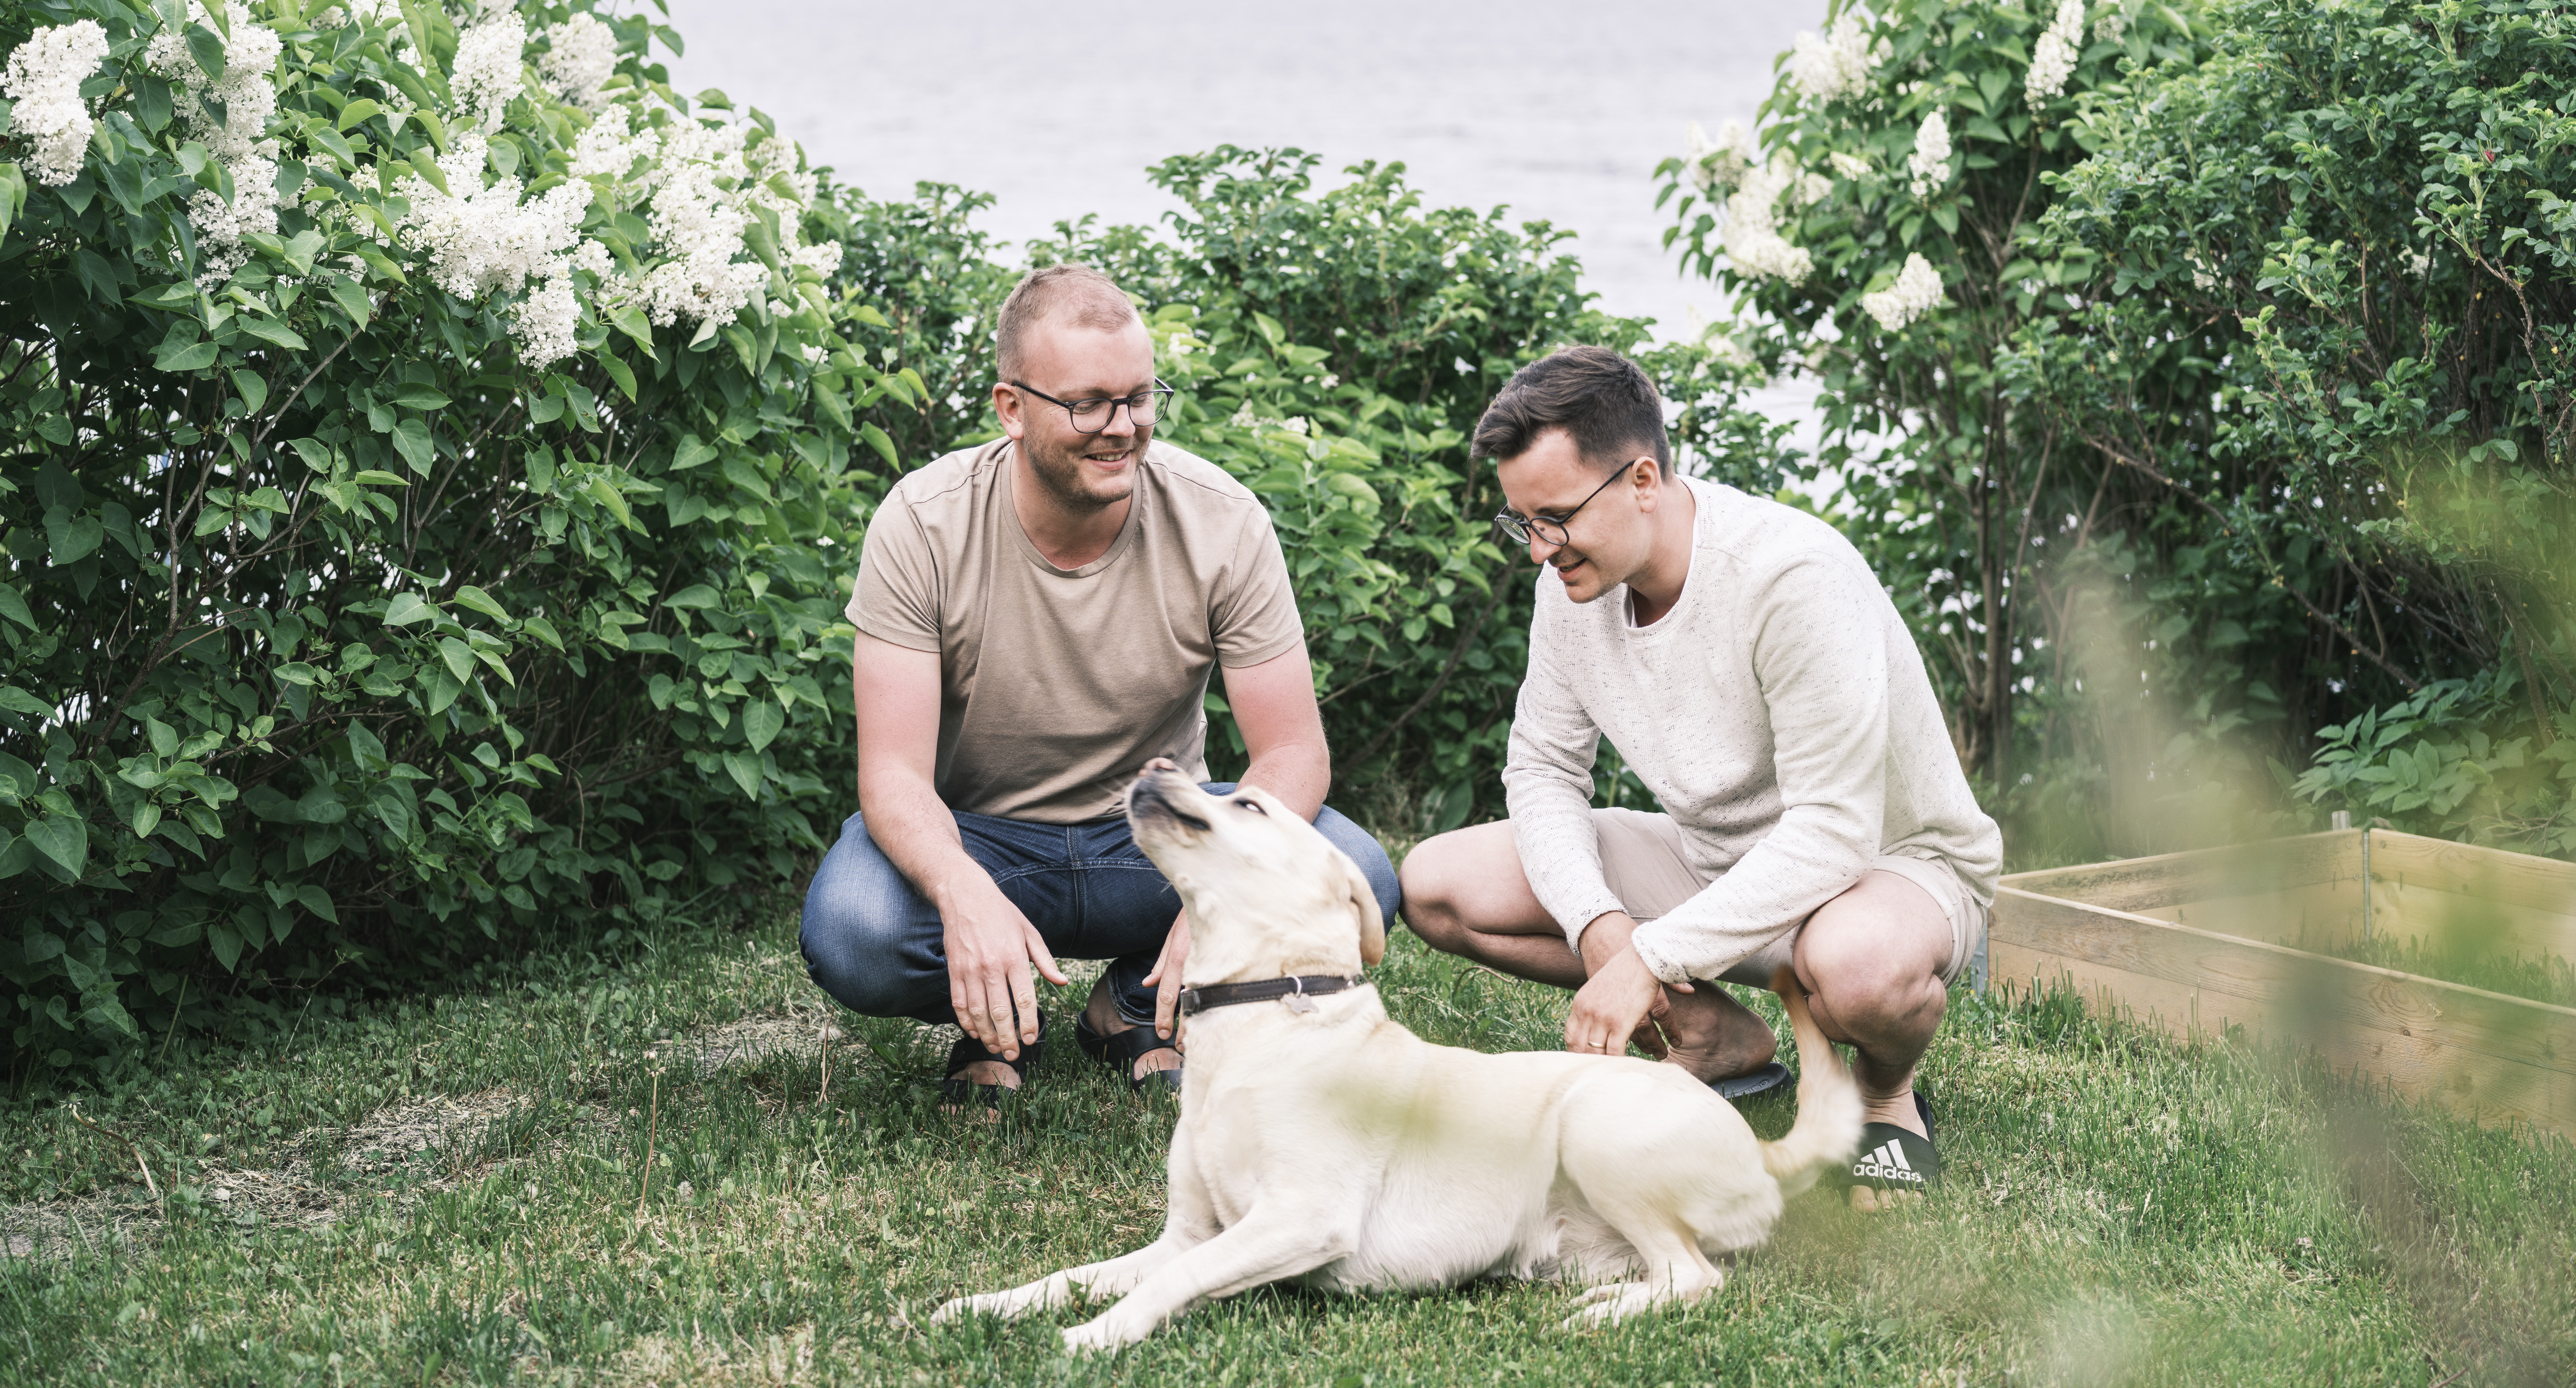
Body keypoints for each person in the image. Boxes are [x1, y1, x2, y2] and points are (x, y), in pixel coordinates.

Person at [1398, 345, 2000, 1207]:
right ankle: (1717, 1038)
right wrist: (1599, 924)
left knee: (1857, 967)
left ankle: (1882, 1090)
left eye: (1555, 518)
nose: (1538, 549)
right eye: (1521, 523)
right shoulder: (1573, 579)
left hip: (1882, 872)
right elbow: (1540, 769)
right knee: (1437, 884)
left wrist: (1651, 951)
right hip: (1710, 859)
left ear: (1642, 478)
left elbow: (1833, 831)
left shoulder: (1790, 576)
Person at [800, 263, 1400, 1101]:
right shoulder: (923, 519)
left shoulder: (1222, 519)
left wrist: (1225, 886)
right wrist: (962, 891)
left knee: (1359, 877)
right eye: (1088, 403)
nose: (1121, 427)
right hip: (986, 840)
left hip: (1154, 839)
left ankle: (1127, 1003)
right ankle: (999, 1019)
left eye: (1139, 397)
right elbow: (892, 774)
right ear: (1011, 407)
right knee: (856, 930)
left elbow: (1294, 751)